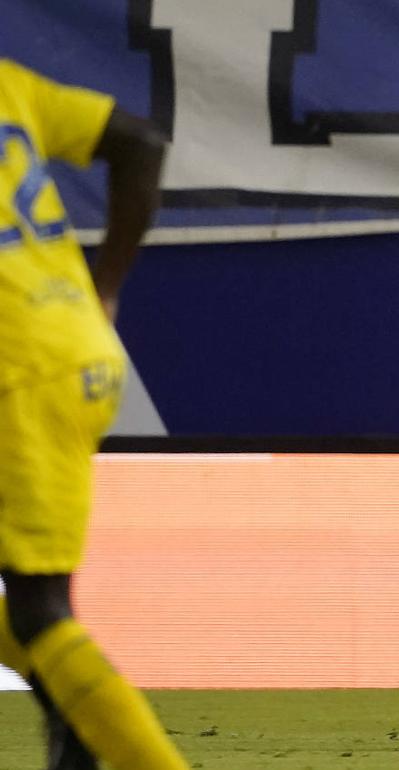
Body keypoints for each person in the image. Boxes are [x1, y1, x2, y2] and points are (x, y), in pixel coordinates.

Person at [0, 59, 187, 769]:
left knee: (39, 608)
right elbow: (139, 141)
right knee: (36, 608)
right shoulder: (6, 83)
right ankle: (73, 725)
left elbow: (142, 142)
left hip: (21, 368)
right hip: (64, 341)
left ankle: (89, 734)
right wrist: (102, 287)